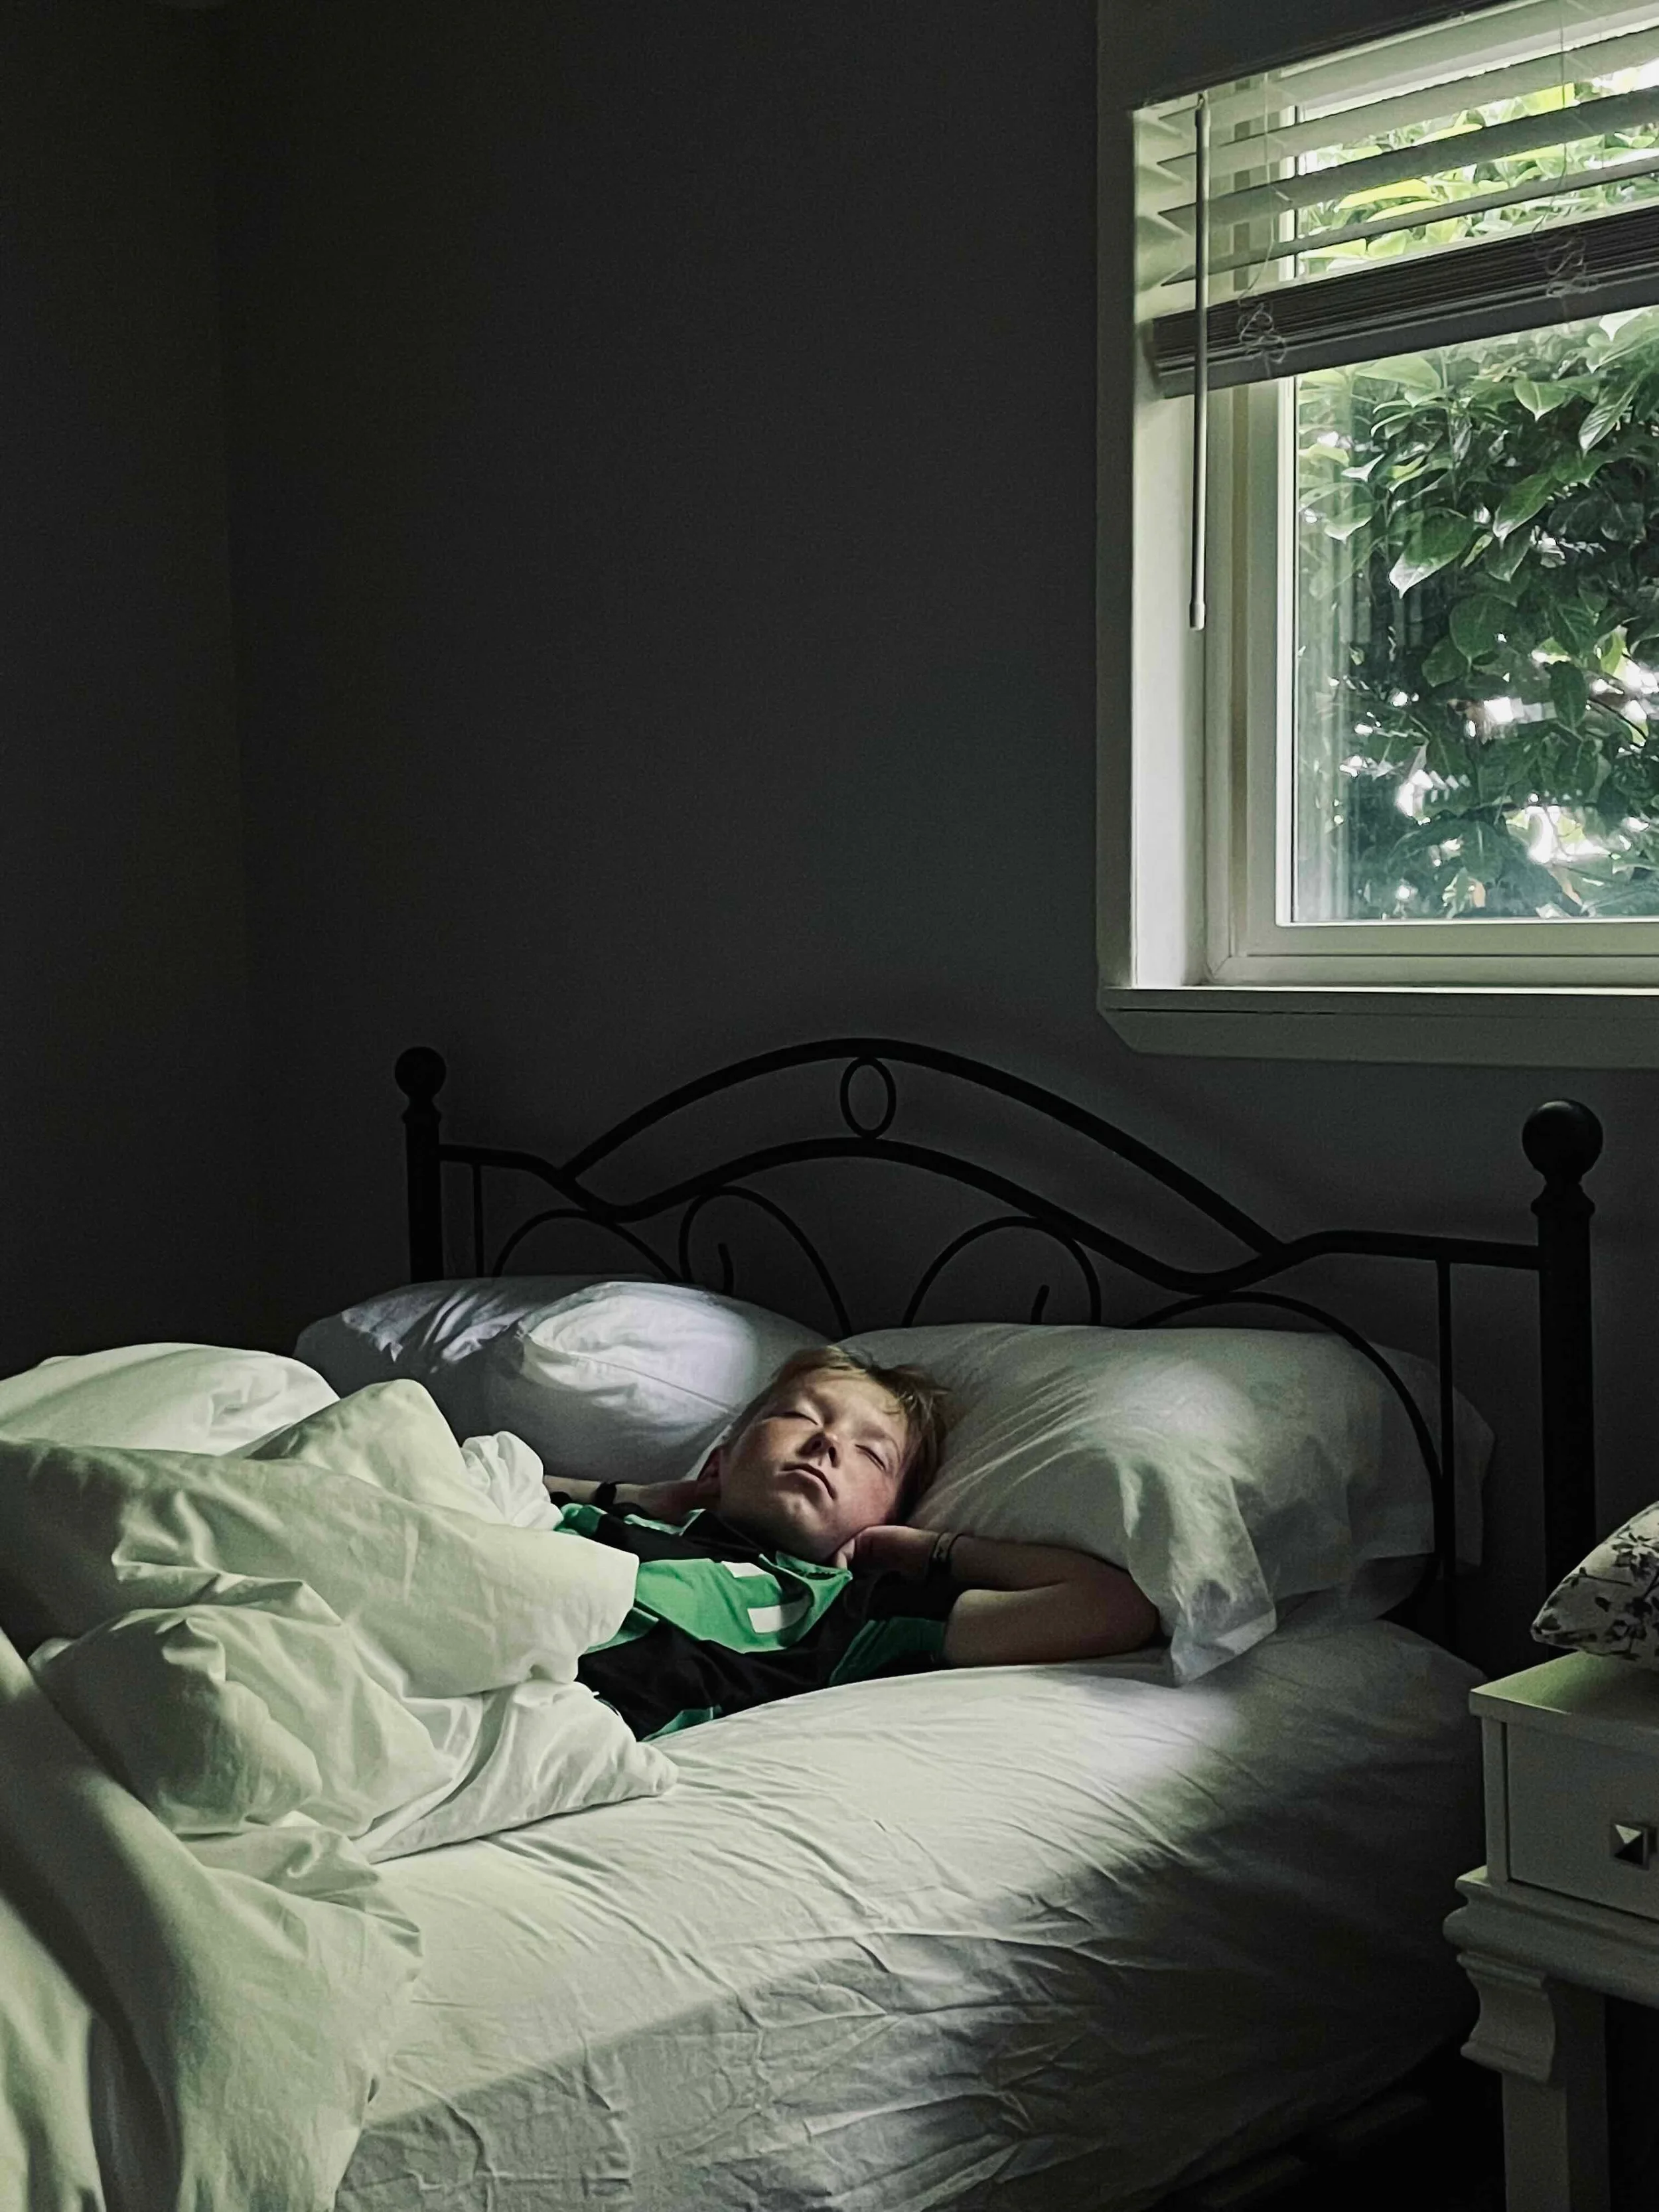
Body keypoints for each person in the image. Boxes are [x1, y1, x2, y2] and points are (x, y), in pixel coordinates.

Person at [542, 1345, 1158, 1740]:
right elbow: (470, 1482)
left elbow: (1113, 1606)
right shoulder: (618, 1519)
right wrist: (638, 1495)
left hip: (547, 1704)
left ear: (891, 1512)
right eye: (802, 1417)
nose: (827, 1443)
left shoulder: (847, 1609)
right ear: (720, 1461)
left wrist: (933, 1549)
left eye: (871, 1452)